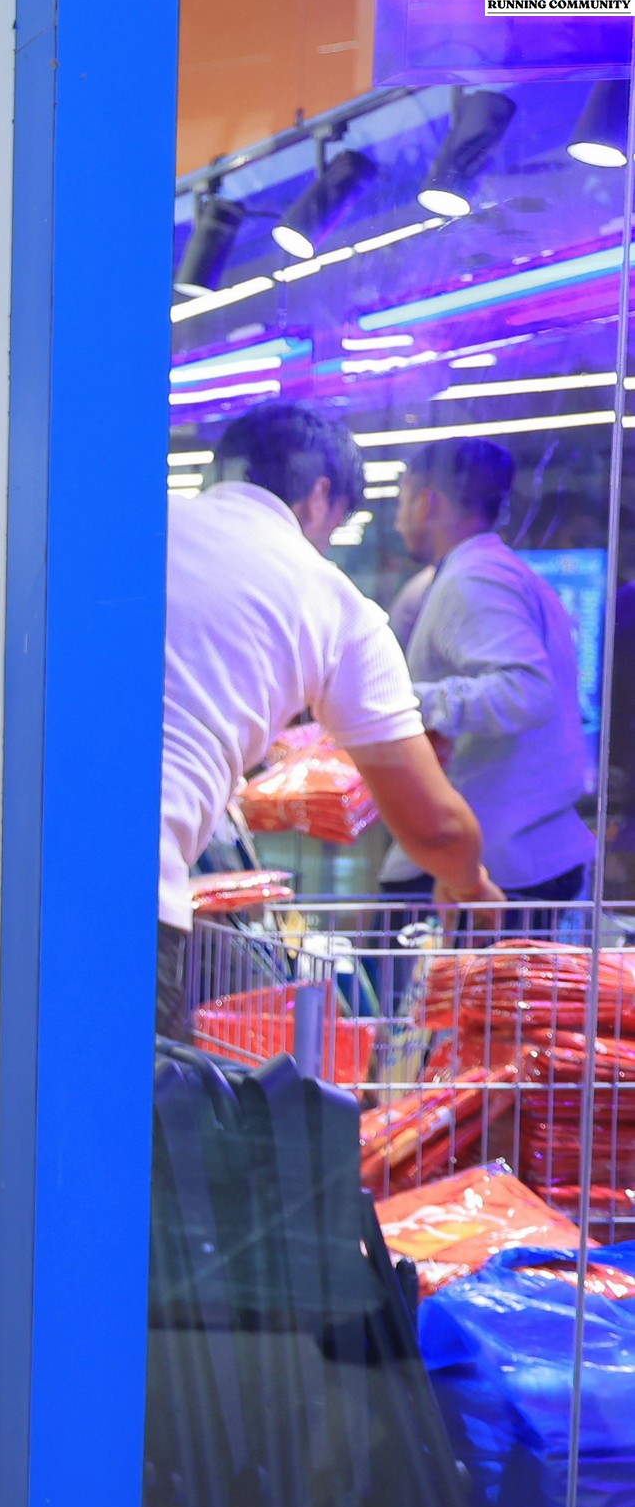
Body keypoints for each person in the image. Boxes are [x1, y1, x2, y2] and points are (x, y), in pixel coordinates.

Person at [161, 401, 499, 1035]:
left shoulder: (142, 521)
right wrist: (471, 885)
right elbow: (436, 828)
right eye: (338, 522)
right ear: (320, 495)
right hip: (134, 885)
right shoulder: (330, 599)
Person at [377, 435, 594, 925]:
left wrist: (405, 703)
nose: (396, 519)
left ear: (427, 502)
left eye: (401, 500)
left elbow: (526, 691)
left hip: (492, 870)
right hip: (507, 856)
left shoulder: (473, 578)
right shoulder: (494, 570)